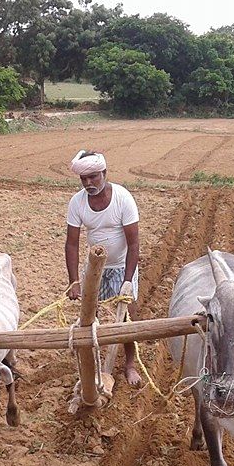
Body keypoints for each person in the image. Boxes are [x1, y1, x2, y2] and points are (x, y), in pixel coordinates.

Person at [65, 150, 142, 386]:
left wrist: (127, 281)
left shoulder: (122, 198)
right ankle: (96, 366)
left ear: (104, 173)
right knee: (91, 316)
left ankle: (129, 365)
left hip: (121, 265)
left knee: (125, 317)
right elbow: (72, 243)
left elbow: (134, 243)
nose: (88, 183)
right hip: (95, 268)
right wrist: (74, 281)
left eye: (94, 177)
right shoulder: (77, 202)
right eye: (84, 179)